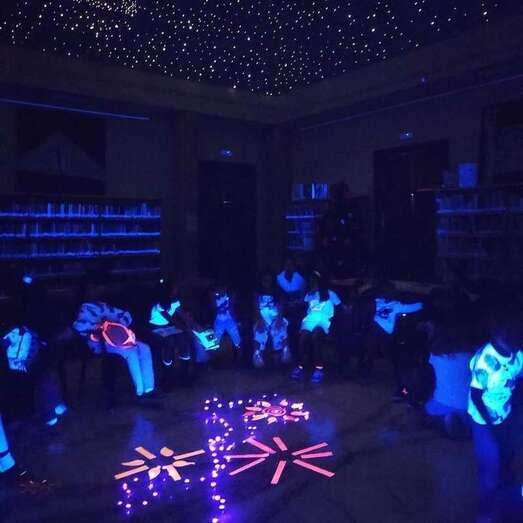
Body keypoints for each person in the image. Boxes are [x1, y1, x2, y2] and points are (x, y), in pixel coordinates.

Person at [468, 315, 523, 523]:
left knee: (507, 460)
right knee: (489, 470)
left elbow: (517, 375)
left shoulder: (516, 354)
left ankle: (508, 503)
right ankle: (485, 514)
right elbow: (475, 395)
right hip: (484, 421)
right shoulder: (486, 363)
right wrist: (492, 426)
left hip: (506, 414)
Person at [73, 277, 155, 399]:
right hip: (99, 343)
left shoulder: (104, 306)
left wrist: (115, 325)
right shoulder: (84, 308)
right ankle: (139, 391)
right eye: (95, 288)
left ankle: (149, 388)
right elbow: (79, 326)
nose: (98, 290)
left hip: (118, 339)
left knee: (144, 348)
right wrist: (101, 326)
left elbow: (126, 316)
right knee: (131, 353)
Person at [362, 283, 423, 399]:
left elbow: (416, 307)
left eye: (388, 292)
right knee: (370, 352)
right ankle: (366, 374)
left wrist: (423, 302)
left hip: (386, 335)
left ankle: (402, 387)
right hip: (374, 333)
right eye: (384, 292)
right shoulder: (377, 301)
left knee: (394, 359)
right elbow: (365, 297)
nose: (386, 294)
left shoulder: (396, 305)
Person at [291, 271, 343, 383]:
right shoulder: (309, 295)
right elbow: (303, 306)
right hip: (310, 319)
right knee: (303, 338)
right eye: (311, 281)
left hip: (324, 320)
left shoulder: (330, 293)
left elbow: (340, 307)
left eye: (315, 281)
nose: (313, 283)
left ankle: (319, 368)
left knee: (316, 335)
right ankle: (300, 366)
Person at [252, 273, 290, 368]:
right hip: (262, 316)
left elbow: (281, 307)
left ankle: (284, 352)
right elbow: (256, 308)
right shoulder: (257, 293)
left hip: (275, 316)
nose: (267, 282)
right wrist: (260, 320)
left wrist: (279, 319)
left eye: (269, 280)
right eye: (265, 280)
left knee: (280, 330)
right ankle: (257, 355)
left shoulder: (278, 292)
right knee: (259, 332)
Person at [212, 286, 241, 353]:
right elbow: (213, 309)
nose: (221, 290)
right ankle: (214, 348)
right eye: (219, 289)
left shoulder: (230, 296)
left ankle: (238, 345)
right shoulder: (214, 296)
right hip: (218, 320)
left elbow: (233, 308)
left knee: (234, 332)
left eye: (222, 289)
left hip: (229, 319)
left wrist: (237, 320)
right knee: (217, 333)